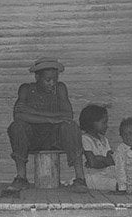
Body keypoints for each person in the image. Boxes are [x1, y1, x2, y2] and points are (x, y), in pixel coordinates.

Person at [6, 58, 87, 191]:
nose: (52, 83)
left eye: (55, 79)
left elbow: (67, 115)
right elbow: (19, 115)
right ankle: (21, 178)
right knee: (17, 126)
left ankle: (80, 179)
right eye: (48, 80)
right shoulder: (26, 89)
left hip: (55, 138)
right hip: (33, 138)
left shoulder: (60, 88)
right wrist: (51, 119)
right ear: (37, 77)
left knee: (70, 126)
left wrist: (34, 112)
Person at [79, 103, 118, 192]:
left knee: (124, 175)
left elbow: (111, 162)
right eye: (104, 122)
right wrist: (104, 161)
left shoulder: (104, 140)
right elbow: (92, 164)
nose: (107, 125)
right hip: (93, 176)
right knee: (117, 184)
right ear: (91, 123)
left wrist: (100, 158)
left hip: (107, 172)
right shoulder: (85, 139)